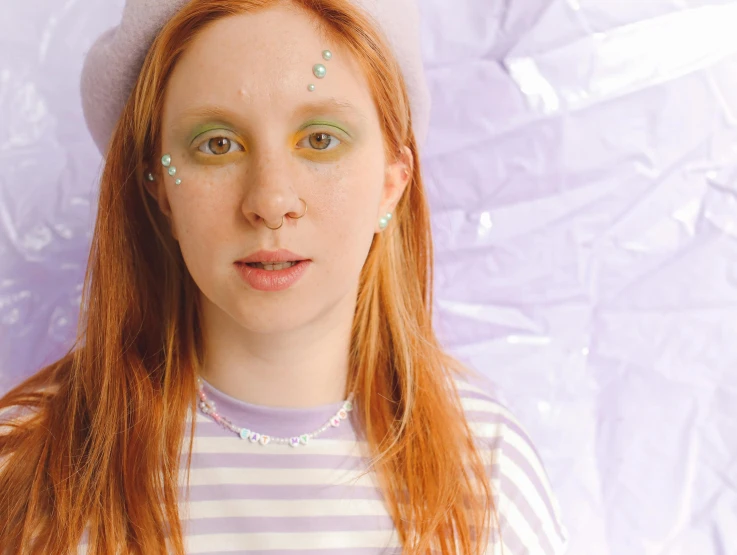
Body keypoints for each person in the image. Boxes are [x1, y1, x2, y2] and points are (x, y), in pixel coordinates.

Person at [0, 0, 568, 553]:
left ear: (392, 181)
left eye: (320, 139)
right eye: (217, 144)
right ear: (160, 187)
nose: (271, 201)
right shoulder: (22, 468)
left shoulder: (486, 467)